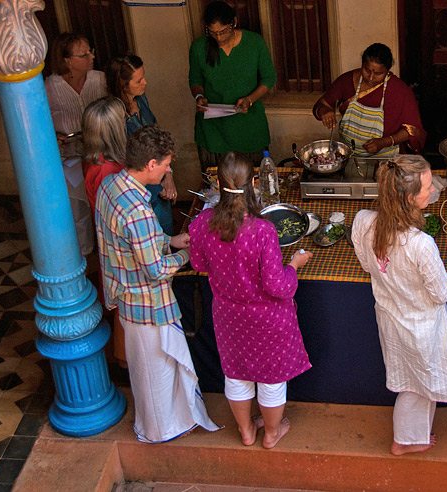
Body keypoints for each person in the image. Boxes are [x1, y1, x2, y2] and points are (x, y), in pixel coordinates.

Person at [95, 125, 219, 443]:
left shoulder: (111, 185)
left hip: (125, 295)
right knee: (156, 373)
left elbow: (131, 241)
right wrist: (187, 255)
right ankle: (158, 430)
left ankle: (172, 421)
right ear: (151, 165)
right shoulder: (138, 210)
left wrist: (171, 239)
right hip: (147, 305)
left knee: (152, 370)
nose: (169, 169)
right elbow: (157, 270)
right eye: (166, 164)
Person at [188, 152, 312, 449]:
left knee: (237, 374)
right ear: (253, 183)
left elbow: (198, 264)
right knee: (271, 378)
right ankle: (270, 433)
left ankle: (245, 431)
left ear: (218, 185)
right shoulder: (263, 230)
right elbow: (278, 286)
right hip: (267, 318)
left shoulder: (202, 223)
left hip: (229, 315)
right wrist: (295, 264)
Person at [351, 156, 447, 456]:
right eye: (427, 187)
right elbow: (442, 293)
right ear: (410, 198)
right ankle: (403, 440)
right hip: (421, 324)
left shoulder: (364, 222)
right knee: (417, 385)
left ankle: (417, 434)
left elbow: (366, 264)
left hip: (390, 314)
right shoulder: (421, 244)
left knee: (413, 380)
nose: (432, 191)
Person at [189, 1, 277, 170]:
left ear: (234, 23)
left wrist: (250, 100)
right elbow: (195, 80)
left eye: (223, 31)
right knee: (217, 187)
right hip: (213, 130)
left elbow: (269, 78)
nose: (219, 37)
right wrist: (199, 96)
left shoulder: (254, 43)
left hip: (249, 125)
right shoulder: (199, 48)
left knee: (255, 182)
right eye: (213, 33)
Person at [45, 32, 107, 255]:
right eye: (84, 54)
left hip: (99, 153)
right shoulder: (51, 86)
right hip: (68, 157)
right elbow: (39, 121)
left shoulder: (100, 79)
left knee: (103, 205)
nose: (91, 56)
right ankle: (84, 253)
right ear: (66, 60)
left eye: (90, 51)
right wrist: (54, 135)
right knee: (77, 208)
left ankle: (107, 250)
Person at [313, 43, 426, 157]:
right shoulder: (346, 81)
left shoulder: (399, 90)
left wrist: (384, 142)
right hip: (347, 154)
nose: (371, 77)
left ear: (388, 70)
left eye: (378, 73)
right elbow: (321, 105)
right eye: (367, 70)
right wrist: (325, 112)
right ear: (362, 64)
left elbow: (412, 129)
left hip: (385, 157)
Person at [81, 96, 128, 367]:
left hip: (108, 241)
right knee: (124, 304)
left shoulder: (95, 160)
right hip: (117, 245)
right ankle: (123, 358)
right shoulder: (107, 170)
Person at [106, 54, 175, 235]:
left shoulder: (141, 99)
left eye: (144, 76)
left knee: (167, 233)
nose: (145, 83)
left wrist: (168, 175)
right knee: (150, 237)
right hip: (142, 188)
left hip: (159, 179)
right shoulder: (116, 115)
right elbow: (125, 159)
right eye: (138, 81)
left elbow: (158, 139)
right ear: (122, 84)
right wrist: (158, 182)